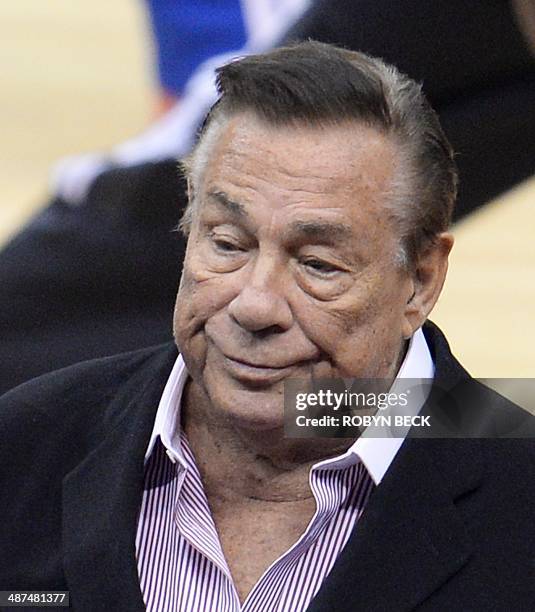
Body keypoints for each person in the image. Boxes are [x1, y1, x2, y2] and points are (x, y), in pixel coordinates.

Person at [0, 42, 533, 611]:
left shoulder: (518, 492)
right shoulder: (23, 447)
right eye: (227, 243)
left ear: (422, 281)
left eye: (317, 265)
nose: (254, 307)